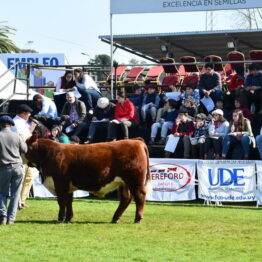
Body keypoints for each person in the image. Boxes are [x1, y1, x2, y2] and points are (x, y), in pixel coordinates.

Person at [0, 116, 27, 225]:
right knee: (15, 194)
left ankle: (2, 215)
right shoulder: (17, 136)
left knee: (1, 193)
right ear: (10, 125)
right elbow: (25, 150)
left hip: (3, 167)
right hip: (18, 167)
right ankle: (11, 218)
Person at [12, 104, 37, 209]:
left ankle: (22, 201)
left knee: (29, 177)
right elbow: (22, 138)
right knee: (21, 179)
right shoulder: (16, 123)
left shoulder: (22, 122)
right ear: (22, 114)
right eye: (28, 113)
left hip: (27, 154)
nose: (29, 114)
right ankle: (17, 202)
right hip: (20, 154)